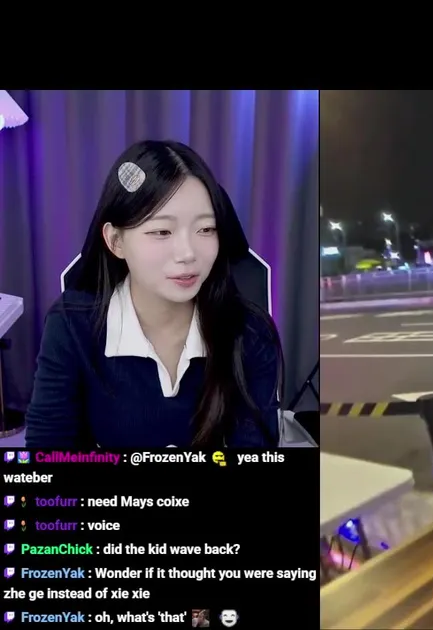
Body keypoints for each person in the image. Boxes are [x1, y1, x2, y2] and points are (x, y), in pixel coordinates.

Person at [26, 141, 281, 448]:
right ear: (116, 241)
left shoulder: (250, 332)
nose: (188, 254)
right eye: (162, 232)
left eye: (206, 229)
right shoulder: (72, 324)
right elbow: (47, 454)